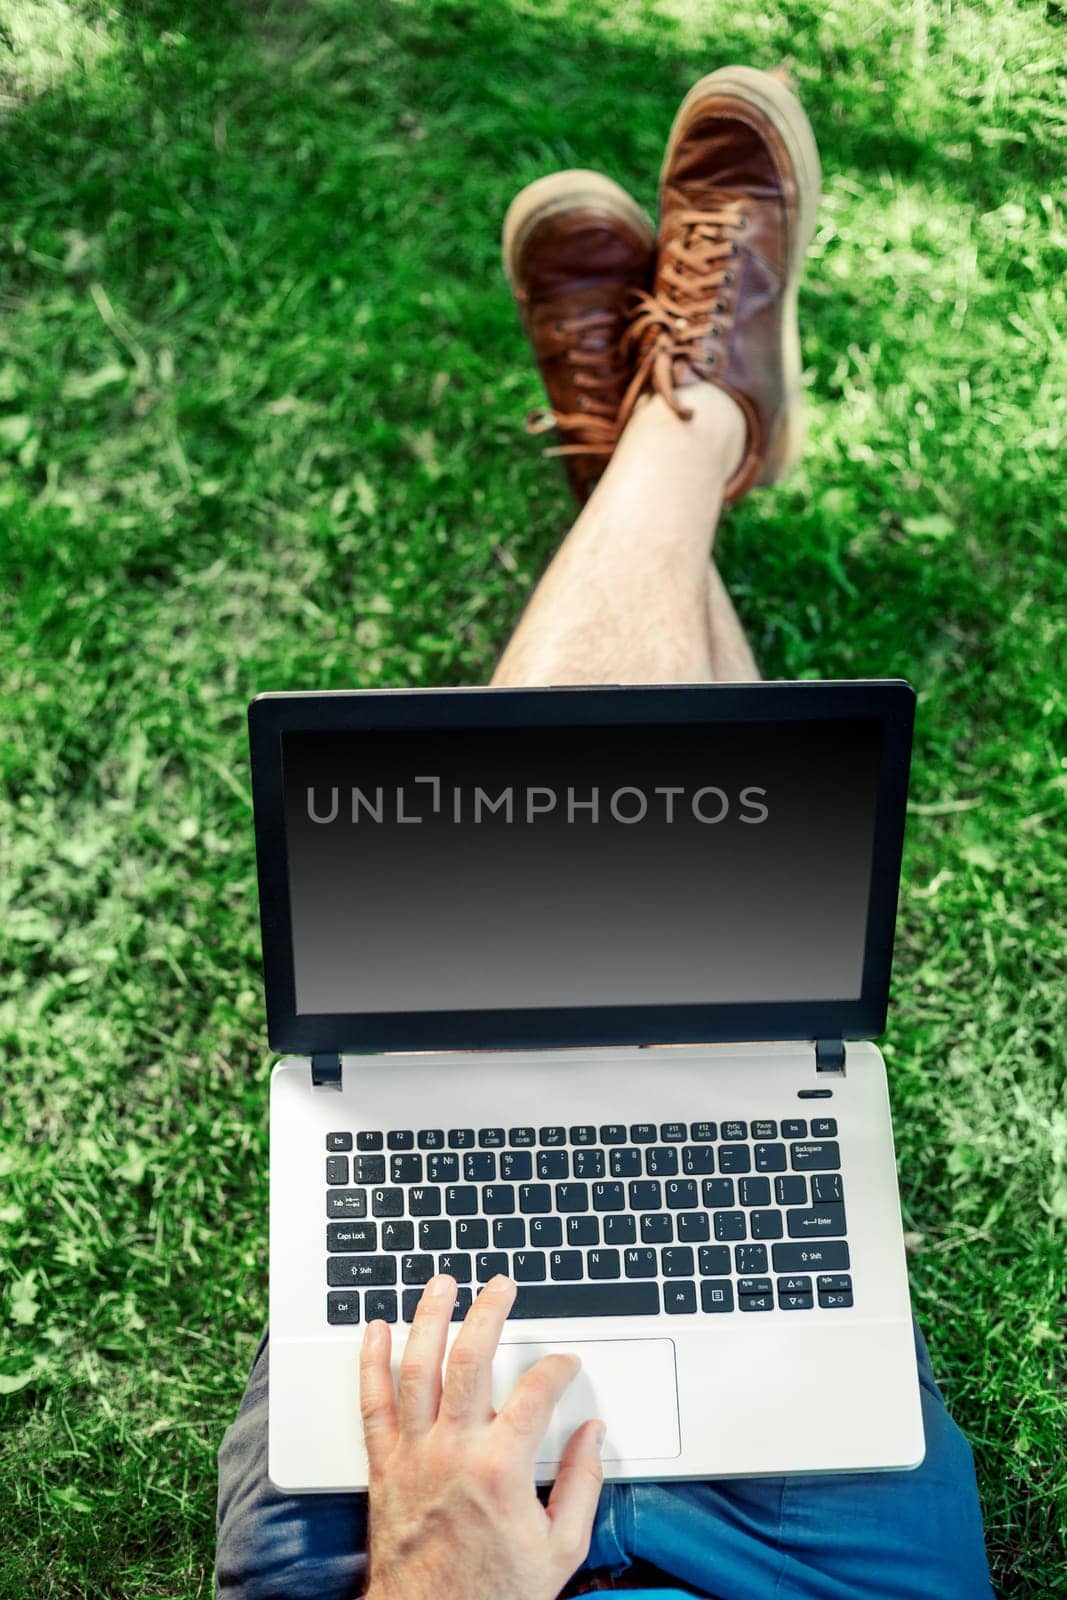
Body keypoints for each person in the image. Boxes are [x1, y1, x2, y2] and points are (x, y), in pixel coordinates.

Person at [216, 66, 994, 1600]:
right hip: (807, 1576)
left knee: (456, 1012)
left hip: (395, 1559)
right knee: (541, 990)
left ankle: (660, 450)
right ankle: (693, 427)